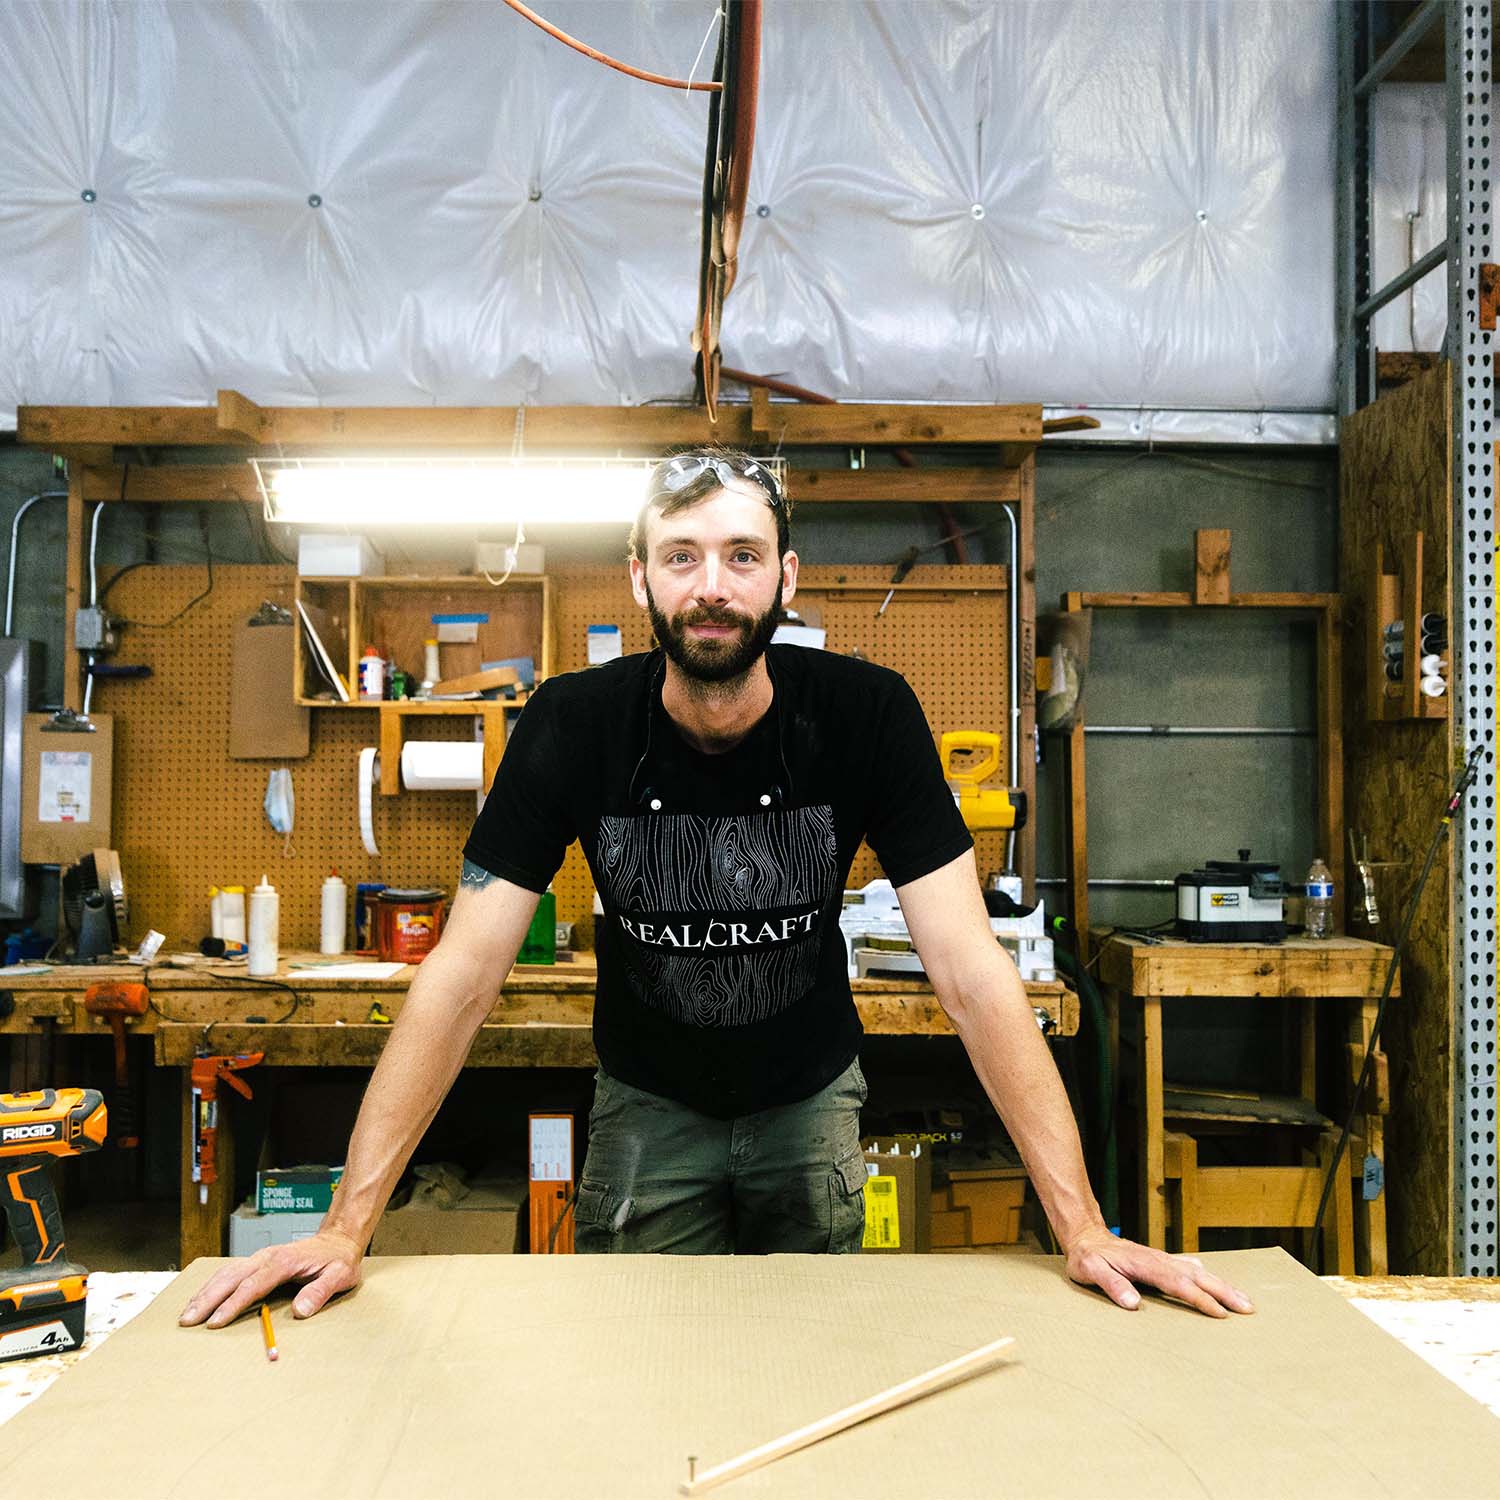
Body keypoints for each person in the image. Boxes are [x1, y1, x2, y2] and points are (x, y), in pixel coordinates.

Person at [182, 447, 1252, 1329]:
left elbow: (973, 973)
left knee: (813, 1364)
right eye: (682, 556)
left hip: (810, 1105)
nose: (712, 585)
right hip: (649, 1112)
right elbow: (460, 977)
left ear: (787, 577)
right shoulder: (571, 724)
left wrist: (1083, 1228)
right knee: (640, 1378)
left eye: (742, 555)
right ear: (640, 579)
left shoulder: (869, 715)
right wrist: (344, 1226)